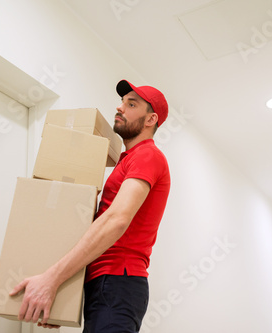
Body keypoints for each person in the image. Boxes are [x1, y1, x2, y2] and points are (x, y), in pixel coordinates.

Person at [9, 79, 171, 332]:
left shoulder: (147, 155)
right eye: (121, 102)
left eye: (131, 104)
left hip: (118, 281)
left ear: (151, 120)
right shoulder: (127, 161)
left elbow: (116, 220)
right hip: (106, 283)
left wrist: (52, 280)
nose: (120, 108)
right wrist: (64, 296)